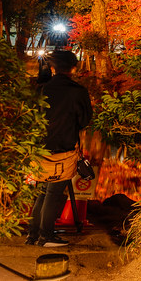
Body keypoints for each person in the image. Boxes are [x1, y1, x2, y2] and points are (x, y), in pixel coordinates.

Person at [26, 49, 92, 247]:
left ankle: (33, 235)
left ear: (53, 67)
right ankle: (46, 236)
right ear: (73, 67)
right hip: (63, 149)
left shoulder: (42, 89)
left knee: (43, 192)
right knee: (54, 193)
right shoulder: (77, 91)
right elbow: (84, 120)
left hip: (38, 148)